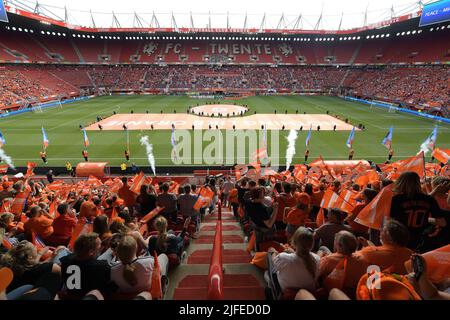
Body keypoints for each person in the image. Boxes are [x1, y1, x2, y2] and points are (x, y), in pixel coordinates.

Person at [389, 171, 446, 252]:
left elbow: (388, 222)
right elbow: (442, 222)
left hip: (399, 239)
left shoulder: (395, 200)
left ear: (400, 182)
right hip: (420, 240)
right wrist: (425, 220)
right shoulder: (429, 199)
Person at [266, 227, 319, 295]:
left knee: (270, 254)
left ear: (294, 242)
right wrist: (293, 252)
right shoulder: (317, 259)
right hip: (308, 294)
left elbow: (274, 261)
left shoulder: (283, 258)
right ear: (312, 245)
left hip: (285, 293)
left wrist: (273, 252)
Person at [60, 233, 114, 298]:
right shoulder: (102, 266)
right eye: (100, 247)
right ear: (91, 252)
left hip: (69, 296)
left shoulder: (66, 260)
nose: (101, 248)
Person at [318, 231, 368, 298]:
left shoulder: (328, 260)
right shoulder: (362, 259)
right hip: (354, 293)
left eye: (335, 242)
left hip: (333, 293)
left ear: (340, 245)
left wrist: (320, 258)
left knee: (322, 248)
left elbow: (317, 273)